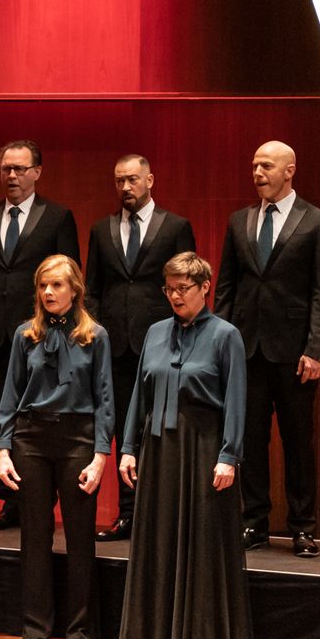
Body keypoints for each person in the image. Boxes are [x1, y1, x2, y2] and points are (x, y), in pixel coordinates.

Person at [117, 252, 251, 639]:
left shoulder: (226, 335)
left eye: (183, 289)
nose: (175, 296)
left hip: (203, 449)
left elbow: (235, 400)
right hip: (159, 451)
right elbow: (140, 393)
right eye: (169, 289)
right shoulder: (156, 332)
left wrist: (228, 455)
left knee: (202, 544)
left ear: (204, 288)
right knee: (158, 539)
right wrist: (128, 447)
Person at [215, 140, 320, 559]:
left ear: (290, 170)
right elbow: (226, 288)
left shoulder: (316, 222)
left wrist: (316, 350)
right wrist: (218, 344)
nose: (258, 173)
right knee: (250, 440)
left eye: (266, 165)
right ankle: (255, 523)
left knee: (299, 443)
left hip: (294, 354)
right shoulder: (239, 221)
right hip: (246, 350)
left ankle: (302, 527)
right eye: (253, 166)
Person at [0, 255, 115, 639]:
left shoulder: (95, 336)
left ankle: (80, 629)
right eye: (43, 286)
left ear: (75, 289)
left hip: (78, 438)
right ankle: (36, 624)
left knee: (80, 538)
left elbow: (105, 401)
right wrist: (3, 450)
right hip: (31, 438)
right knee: (34, 535)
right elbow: (9, 397)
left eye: (57, 285)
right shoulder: (25, 335)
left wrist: (100, 456)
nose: (48, 292)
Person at [0, 140, 80, 532]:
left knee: (45, 418)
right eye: (5, 169)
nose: (11, 176)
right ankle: (12, 502)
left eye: (19, 169)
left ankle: (42, 501)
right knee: (4, 418)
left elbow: (72, 279)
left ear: (36, 172)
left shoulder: (58, 217)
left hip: (43, 337)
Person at [83, 155, 196, 543]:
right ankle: (128, 514)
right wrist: (97, 331)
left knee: (160, 427)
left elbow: (188, 285)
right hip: (114, 345)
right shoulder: (101, 230)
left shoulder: (176, 226)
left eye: (132, 180)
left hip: (164, 346)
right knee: (121, 430)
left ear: (150, 179)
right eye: (119, 181)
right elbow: (92, 288)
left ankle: (162, 516)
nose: (125, 187)